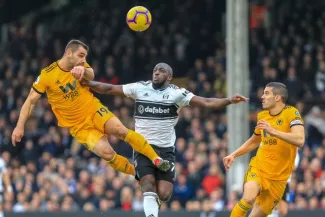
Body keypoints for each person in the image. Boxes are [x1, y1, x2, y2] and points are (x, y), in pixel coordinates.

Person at [82, 62, 248, 217]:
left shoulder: (177, 93)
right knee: (148, 184)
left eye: (161, 71)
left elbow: (205, 102)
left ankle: (155, 202)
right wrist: (88, 83)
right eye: (155, 70)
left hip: (165, 149)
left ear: (169, 77)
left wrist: (228, 101)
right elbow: (110, 88)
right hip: (142, 146)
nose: (157, 73)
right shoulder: (140, 88)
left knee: (164, 194)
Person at [11, 40, 171, 177]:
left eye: (85, 57)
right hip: (79, 127)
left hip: (94, 110)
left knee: (121, 130)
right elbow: (30, 101)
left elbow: (91, 74)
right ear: (68, 53)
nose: (83, 59)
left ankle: (156, 159)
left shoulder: (80, 65)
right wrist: (19, 126)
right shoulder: (47, 75)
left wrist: (84, 71)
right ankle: (138, 174)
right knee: (108, 153)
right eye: (80, 55)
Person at [223, 82, 305, 217]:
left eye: (266, 93)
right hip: (259, 168)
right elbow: (255, 140)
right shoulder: (262, 116)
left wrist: (273, 131)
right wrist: (234, 154)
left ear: (278, 97)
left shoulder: (291, 113)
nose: (262, 97)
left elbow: (300, 140)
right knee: (248, 198)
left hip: (279, 180)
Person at [268, 150, 300, 217]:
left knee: (283, 211)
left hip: (286, 182)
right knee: (274, 206)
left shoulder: (294, 150)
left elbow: (294, 166)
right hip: (275, 180)